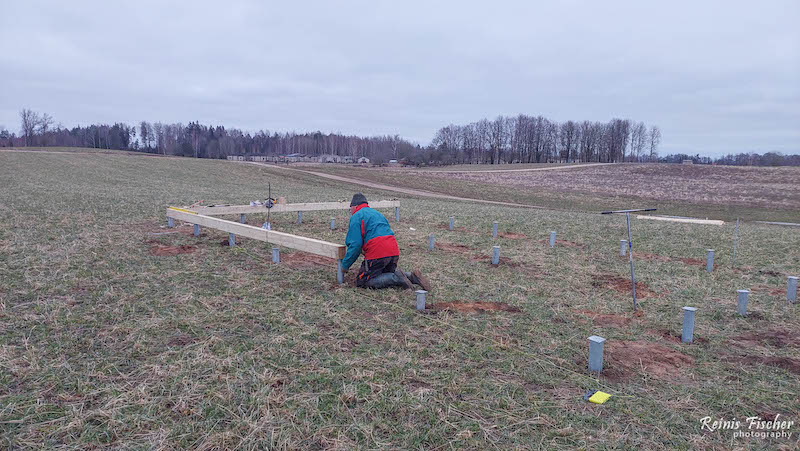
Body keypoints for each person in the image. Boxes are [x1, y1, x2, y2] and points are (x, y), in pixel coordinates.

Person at [341, 193, 431, 290]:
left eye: (350, 208)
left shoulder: (356, 216)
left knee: (364, 281)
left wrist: (345, 265)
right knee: (384, 273)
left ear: (355, 206)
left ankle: (397, 278)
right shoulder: (376, 213)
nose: (350, 211)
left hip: (378, 253)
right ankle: (411, 276)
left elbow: (355, 245)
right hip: (393, 251)